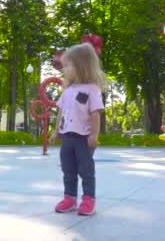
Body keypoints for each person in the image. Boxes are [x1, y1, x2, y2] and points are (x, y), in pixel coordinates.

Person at [49, 43, 106, 216]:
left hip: (84, 138)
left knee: (86, 170)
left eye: (67, 65)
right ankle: (70, 198)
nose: (63, 69)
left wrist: (94, 135)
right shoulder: (67, 91)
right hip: (67, 137)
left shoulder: (92, 90)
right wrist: (55, 131)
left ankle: (88, 199)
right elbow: (61, 112)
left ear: (80, 66)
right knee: (68, 169)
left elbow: (95, 114)